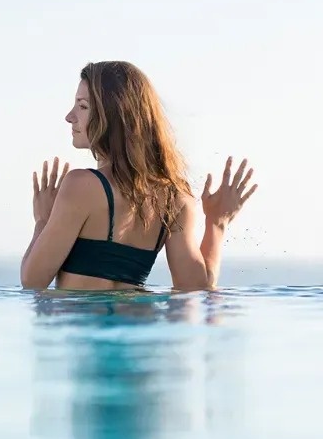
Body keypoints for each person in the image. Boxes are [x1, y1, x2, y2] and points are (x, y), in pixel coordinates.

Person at [19, 61, 256, 292]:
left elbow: (32, 281)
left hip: (85, 329)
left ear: (113, 115)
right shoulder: (175, 197)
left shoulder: (81, 186)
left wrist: (42, 220)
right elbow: (194, 288)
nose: (70, 117)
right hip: (143, 328)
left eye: (82, 106)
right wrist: (216, 223)